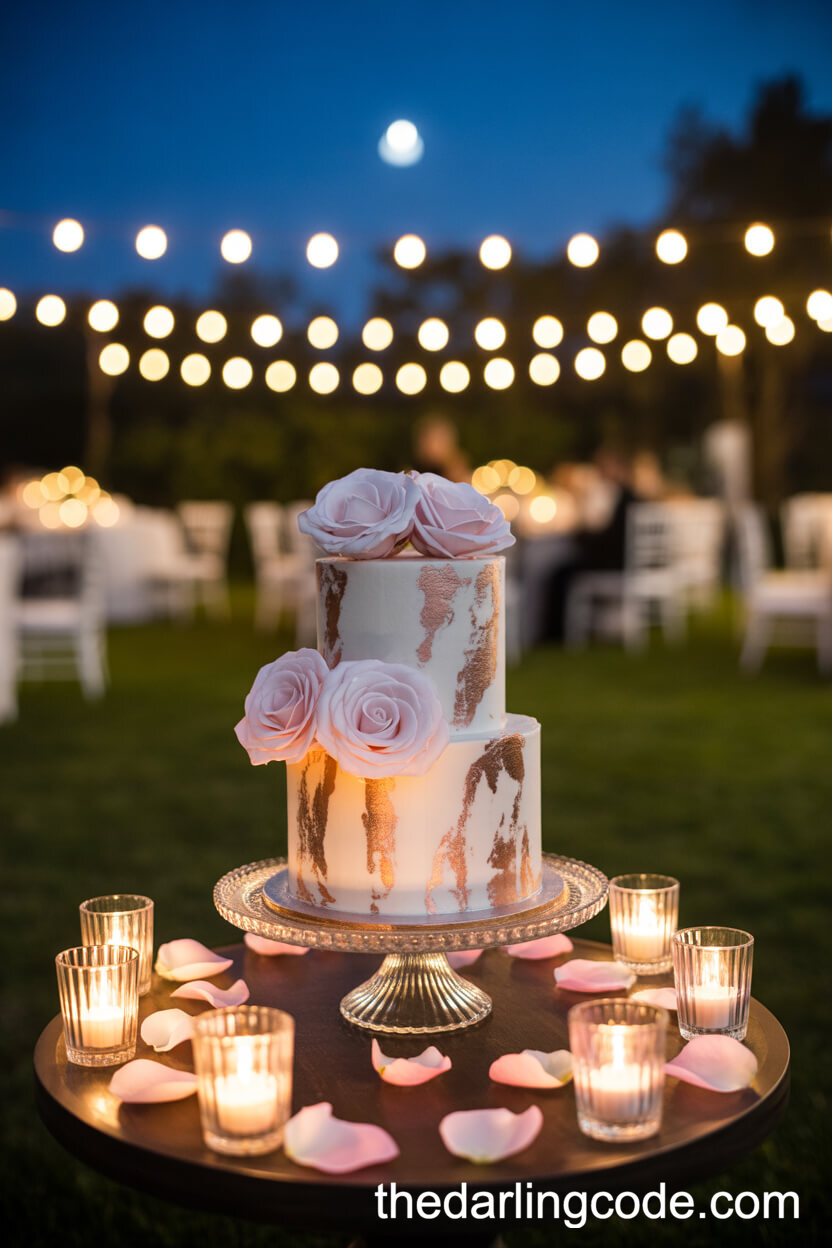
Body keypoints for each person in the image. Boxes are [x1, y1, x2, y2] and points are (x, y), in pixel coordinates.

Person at [545, 446, 643, 642]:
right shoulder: (634, 497)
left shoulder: (622, 498)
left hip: (613, 564)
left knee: (559, 574)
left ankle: (557, 634)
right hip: (626, 563)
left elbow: (609, 539)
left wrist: (581, 534)